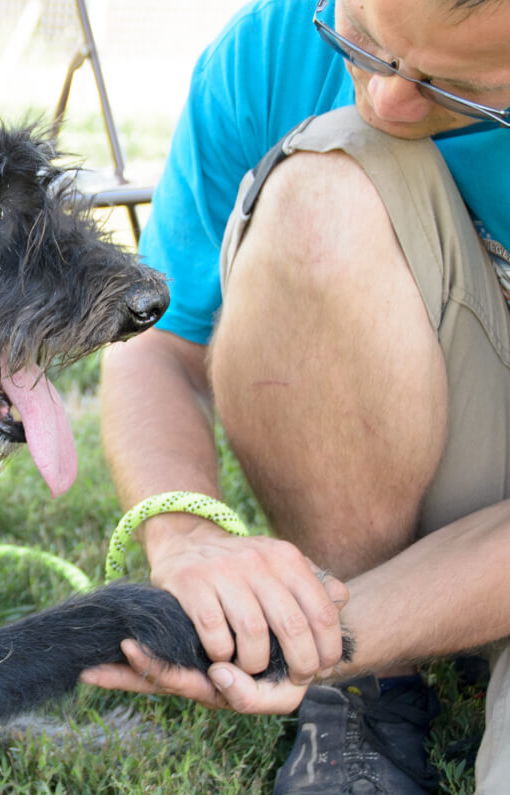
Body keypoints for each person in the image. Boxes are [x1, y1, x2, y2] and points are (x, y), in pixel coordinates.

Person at [80, 0, 510, 791]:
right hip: (447, 455)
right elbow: (159, 346)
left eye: (461, 87)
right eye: (364, 42)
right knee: (321, 191)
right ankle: (368, 691)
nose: (387, 101)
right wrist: (186, 537)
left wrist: (316, 633)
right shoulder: (268, 46)